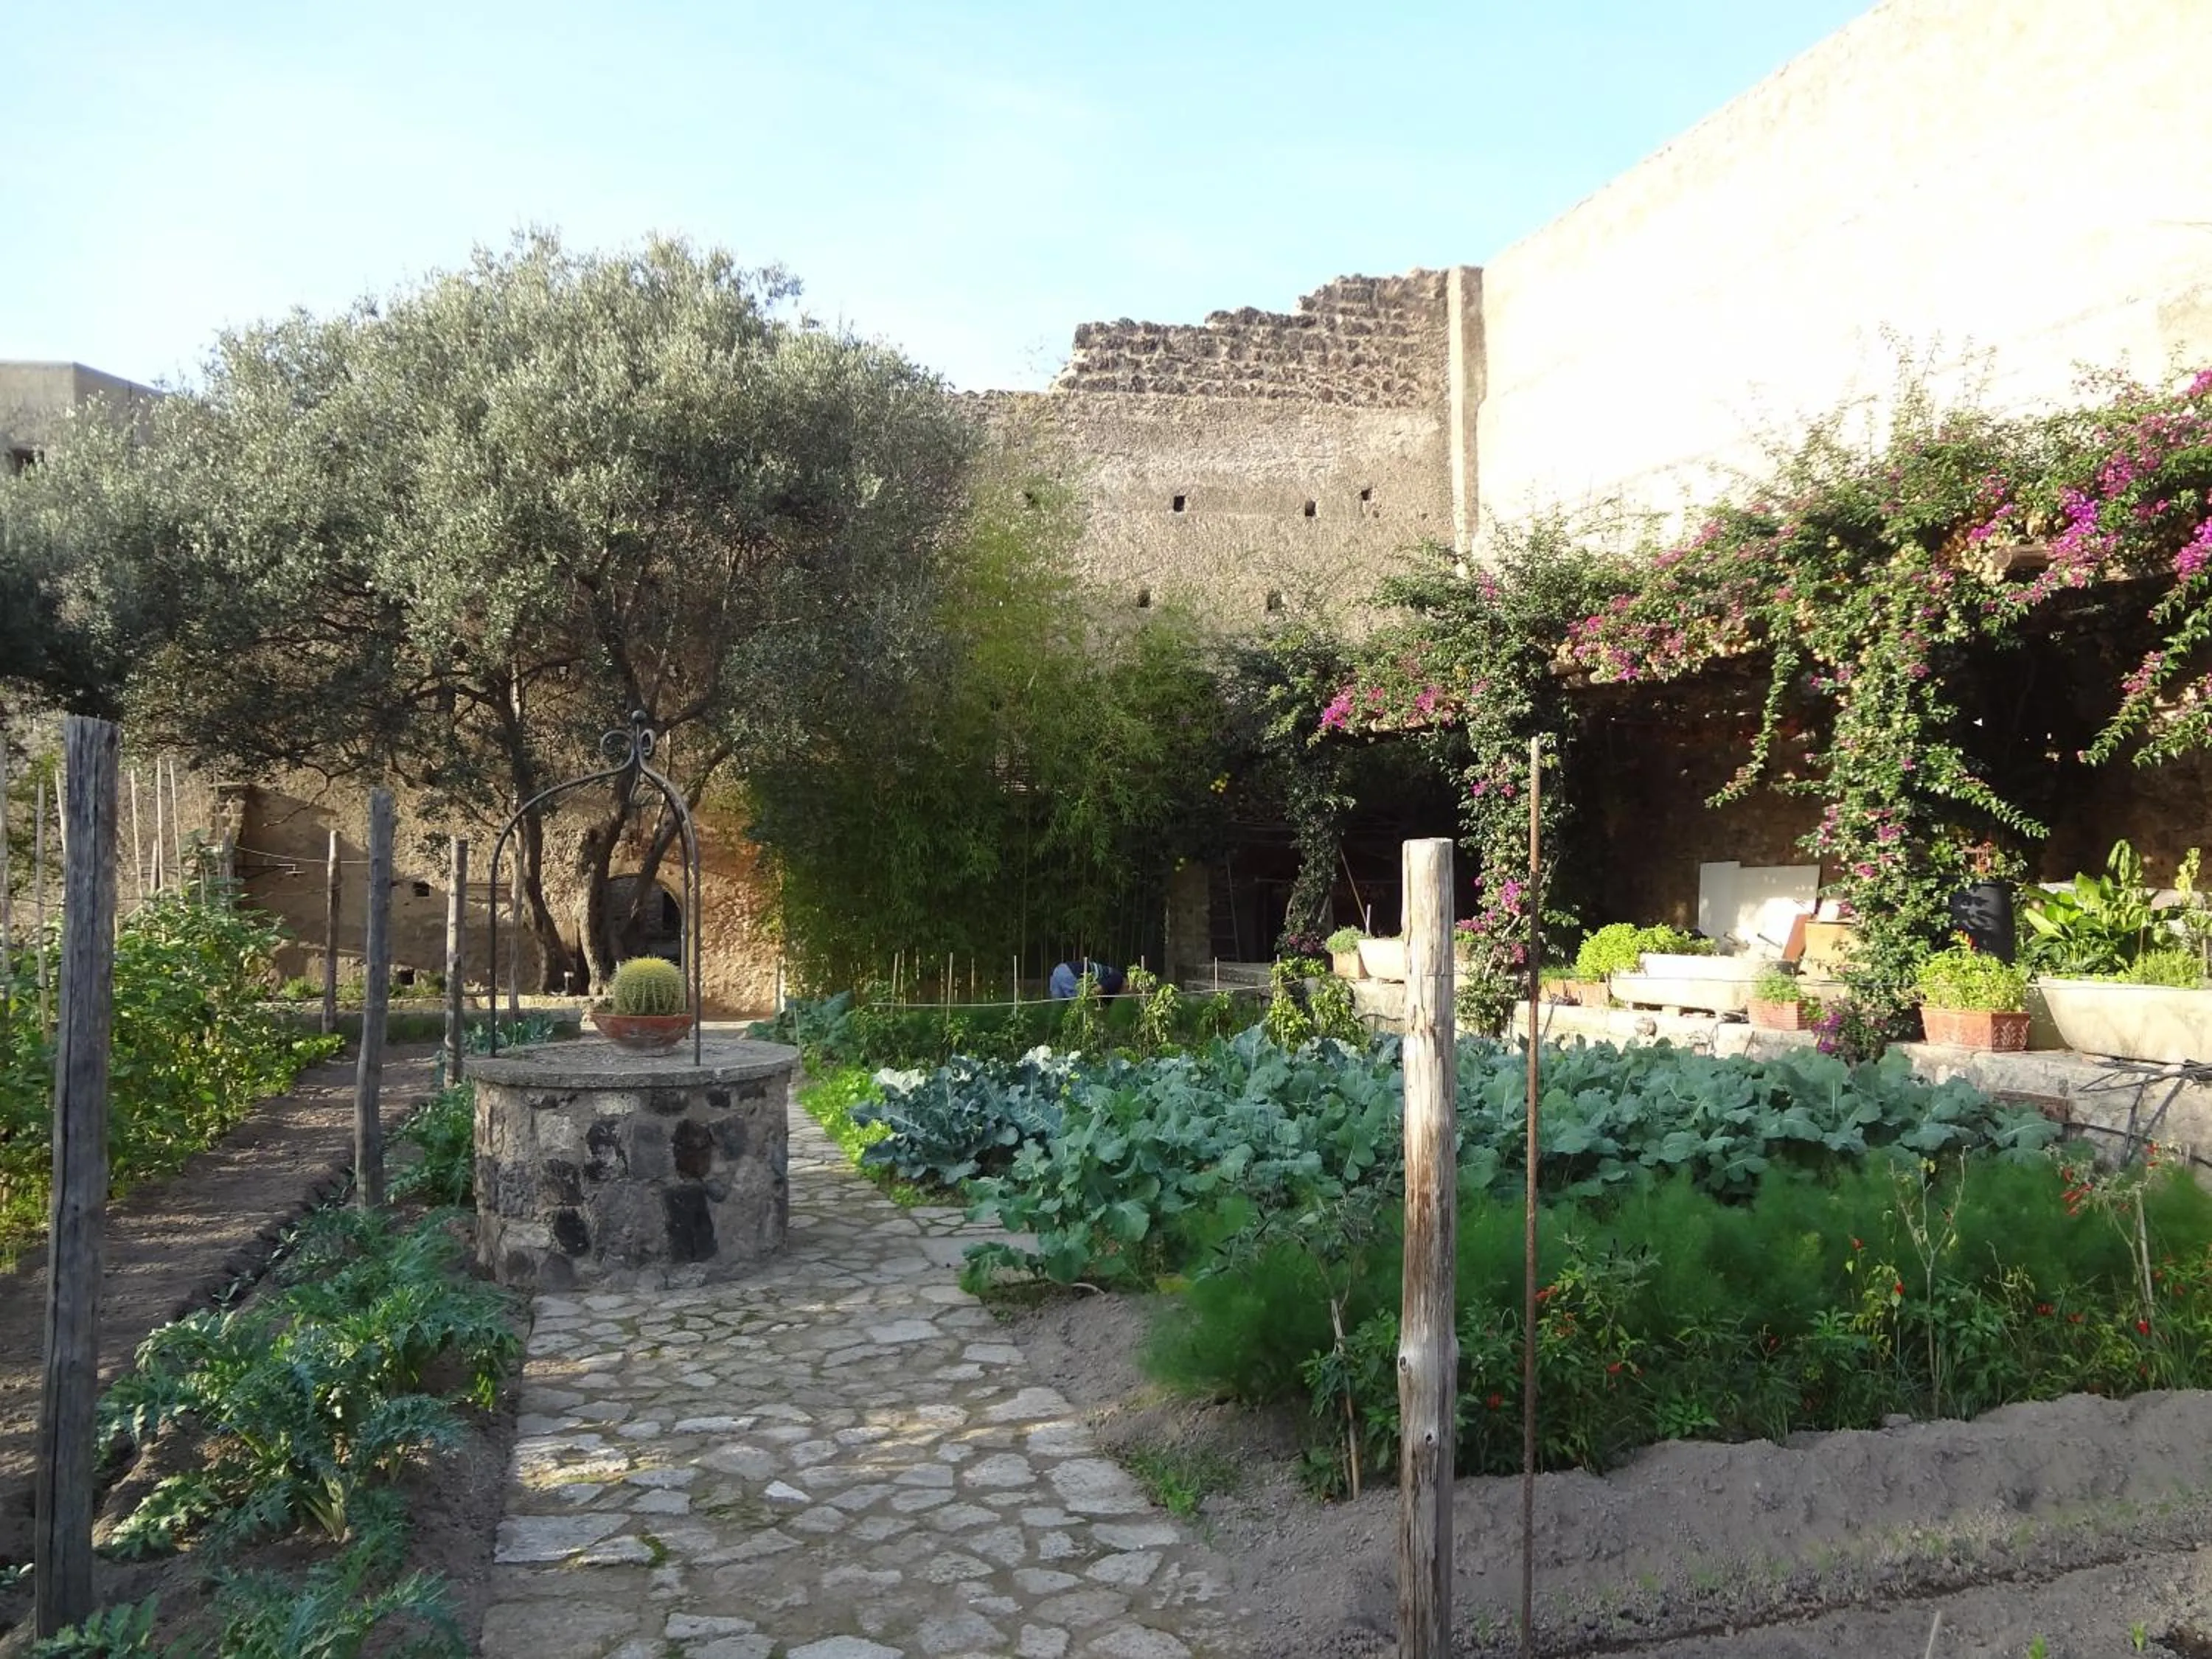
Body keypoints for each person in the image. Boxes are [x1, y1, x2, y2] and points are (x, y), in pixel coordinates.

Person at [1048, 958, 1126, 998]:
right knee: (1080, 1007)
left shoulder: (1113, 991)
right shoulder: (1118, 978)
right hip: (1070, 973)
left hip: (1059, 970)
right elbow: (1097, 990)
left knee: (1058, 1011)